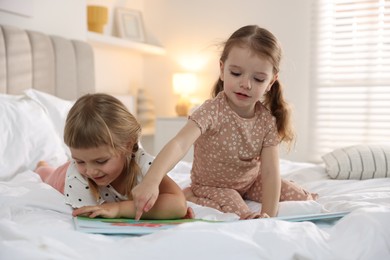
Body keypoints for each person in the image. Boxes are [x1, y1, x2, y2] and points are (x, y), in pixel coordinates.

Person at [132, 25, 317, 220]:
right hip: (213, 186)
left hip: (250, 182)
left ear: (271, 82)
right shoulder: (211, 111)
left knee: (302, 198)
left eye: (258, 78)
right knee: (241, 212)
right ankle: (191, 194)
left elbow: (270, 173)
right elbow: (180, 144)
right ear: (222, 70)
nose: (246, 84)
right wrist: (151, 180)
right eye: (236, 73)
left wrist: (268, 215)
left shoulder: (266, 121)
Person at [35, 93, 188, 220]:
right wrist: (77, 164)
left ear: (127, 146)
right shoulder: (77, 174)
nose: (90, 171)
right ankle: (42, 166)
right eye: (80, 160)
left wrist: (120, 208)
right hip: (62, 176)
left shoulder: (143, 164)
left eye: (101, 161)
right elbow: (90, 213)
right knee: (47, 176)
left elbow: (178, 205)